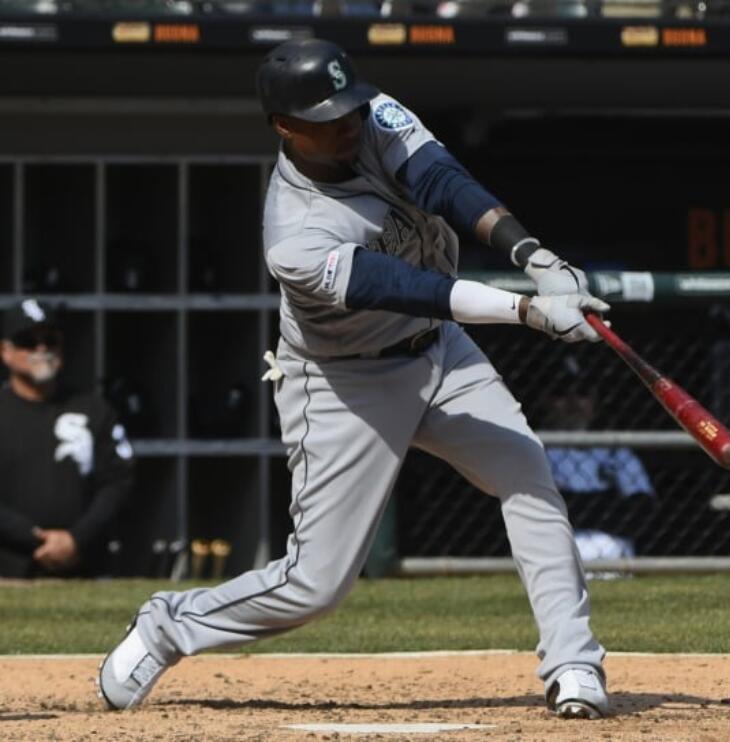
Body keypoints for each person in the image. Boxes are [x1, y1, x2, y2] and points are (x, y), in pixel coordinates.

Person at [98, 38, 612, 719]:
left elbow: (444, 181)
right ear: (285, 127)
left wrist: (531, 252)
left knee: (527, 474)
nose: (348, 125)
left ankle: (573, 666)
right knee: (317, 586)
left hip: (441, 354)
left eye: (350, 108)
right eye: (327, 118)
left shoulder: (371, 115)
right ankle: (168, 625)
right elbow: (411, 287)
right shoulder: (294, 235)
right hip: (344, 384)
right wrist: (526, 308)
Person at [0, 300, 135, 578]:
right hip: (8, 565)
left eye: (50, 340)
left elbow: (118, 481)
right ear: (6, 351)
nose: (42, 350)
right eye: (27, 341)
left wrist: (76, 538)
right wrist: (32, 537)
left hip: (83, 564)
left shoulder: (95, 409)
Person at [542, 355, 655, 571]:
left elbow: (642, 512)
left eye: (583, 393)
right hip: (555, 560)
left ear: (595, 401)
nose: (573, 402)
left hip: (614, 559)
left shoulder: (614, 450)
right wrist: (608, 502)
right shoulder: (533, 448)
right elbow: (540, 516)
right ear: (544, 399)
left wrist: (572, 504)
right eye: (560, 393)